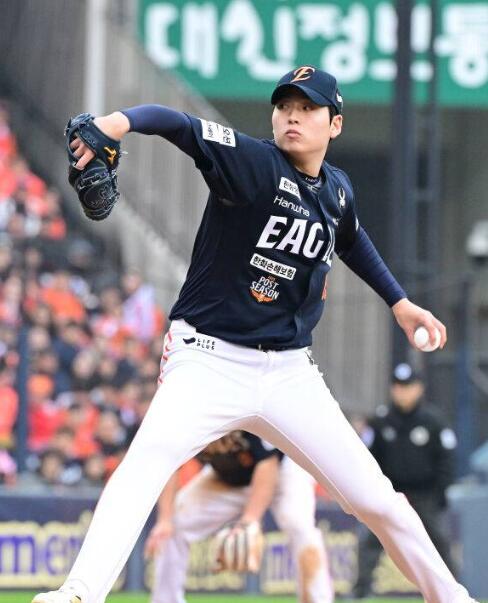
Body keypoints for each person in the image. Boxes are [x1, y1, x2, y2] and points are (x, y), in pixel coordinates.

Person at [33, 65, 477, 603]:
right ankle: (78, 592)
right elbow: (179, 125)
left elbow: (352, 238)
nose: (293, 115)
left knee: (378, 500)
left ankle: (452, 597)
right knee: (146, 463)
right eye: (285, 105)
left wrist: (399, 302)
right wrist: (118, 122)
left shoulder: (337, 190)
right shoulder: (252, 162)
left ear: (335, 124)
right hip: (208, 359)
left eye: (308, 108)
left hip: (290, 372)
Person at [145, 430, 333, 603]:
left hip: (283, 470)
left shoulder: (237, 407)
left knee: (299, 525)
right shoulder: (184, 419)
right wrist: (164, 519)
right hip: (225, 476)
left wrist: (249, 520)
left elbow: (267, 462)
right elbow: (171, 465)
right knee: (173, 524)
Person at [352, 363, 458, 598]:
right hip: (390, 493)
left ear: (419, 388)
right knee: (370, 541)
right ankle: (361, 590)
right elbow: (367, 458)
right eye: (398, 387)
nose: (403, 392)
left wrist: (439, 494)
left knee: (438, 542)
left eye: (408, 387)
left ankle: (452, 592)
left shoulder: (434, 421)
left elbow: (446, 460)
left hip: (425, 495)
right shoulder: (380, 421)